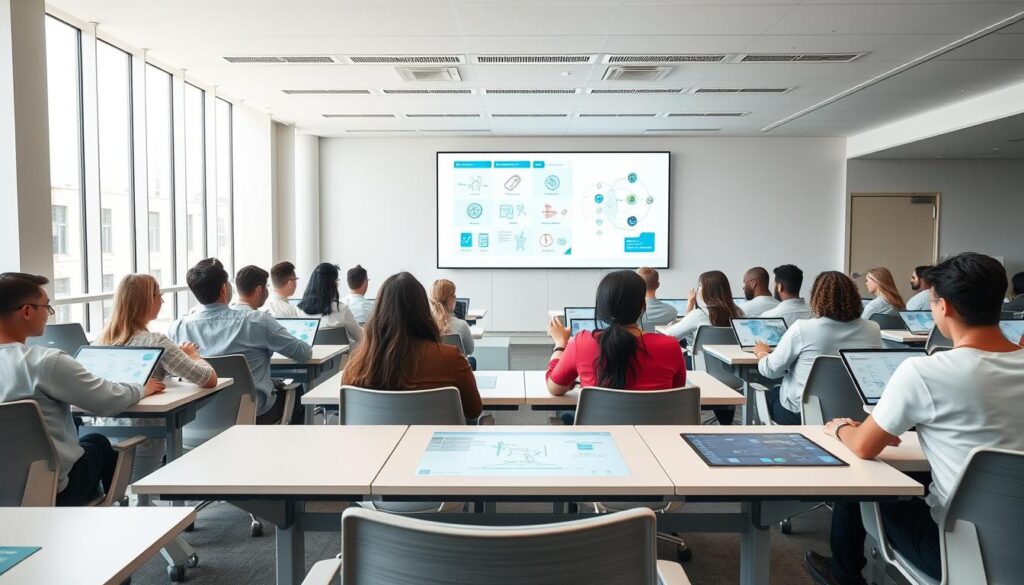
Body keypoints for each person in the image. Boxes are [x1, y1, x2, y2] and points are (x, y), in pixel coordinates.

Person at [806, 253, 1024, 585]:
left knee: (858, 477)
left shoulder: (925, 372)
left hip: (959, 554)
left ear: (945, 307)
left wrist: (841, 429)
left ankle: (844, 574)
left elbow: (865, 447)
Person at [0, 272, 165, 506]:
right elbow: (108, 401)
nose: (48, 314)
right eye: (47, 307)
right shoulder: (46, 362)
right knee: (97, 441)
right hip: (54, 494)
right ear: (27, 311)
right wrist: (141, 389)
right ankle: (119, 518)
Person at [95, 274, 218, 477]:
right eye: (158, 295)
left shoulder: (100, 342)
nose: (162, 300)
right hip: (145, 438)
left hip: (103, 435)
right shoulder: (156, 341)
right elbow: (208, 379)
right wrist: (194, 356)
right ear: (146, 301)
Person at [168, 259, 312, 424]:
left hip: (197, 419)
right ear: (224, 289)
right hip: (253, 415)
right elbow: (303, 353)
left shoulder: (177, 328)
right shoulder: (256, 321)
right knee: (298, 395)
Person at [342, 272, 482, 419]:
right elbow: (473, 410)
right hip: (434, 440)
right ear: (423, 309)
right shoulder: (451, 359)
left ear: (378, 312)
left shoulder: (356, 366)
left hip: (375, 441)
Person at [752, 271, 881, 425]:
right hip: (856, 414)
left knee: (767, 396)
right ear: (854, 296)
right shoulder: (873, 329)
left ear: (817, 297)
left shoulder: (802, 328)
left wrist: (762, 353)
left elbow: (771, 371)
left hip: (802, 414)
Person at [546, 270, 686, 395]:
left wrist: (560, 344)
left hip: (599, 424)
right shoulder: (670, 346)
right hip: (655, 424)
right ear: (643, 306)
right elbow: (677, 393)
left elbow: (554, 388)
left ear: (601, 308)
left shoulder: (582, 342)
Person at [664, 270, 744, 347]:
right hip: (730, 360)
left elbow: (668, 335)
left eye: (699, 286)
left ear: (707, 291)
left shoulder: (700, 314)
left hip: (698, 360)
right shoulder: (739, 313)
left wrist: (689, 306)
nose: (697, 289)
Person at [297, 263, 364, 346]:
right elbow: (361, 338)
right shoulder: (341, 309)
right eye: (337, 281)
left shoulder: (298, 311)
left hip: (309, 358)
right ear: (332, 284)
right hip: (341, 359)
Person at [430, 279, 474, 357]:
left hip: (431, 367)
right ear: (449, 299)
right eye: (454, 296)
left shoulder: (424, 324)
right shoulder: (461, 325)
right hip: (456, 368)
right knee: (472, 360)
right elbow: (470, 350)